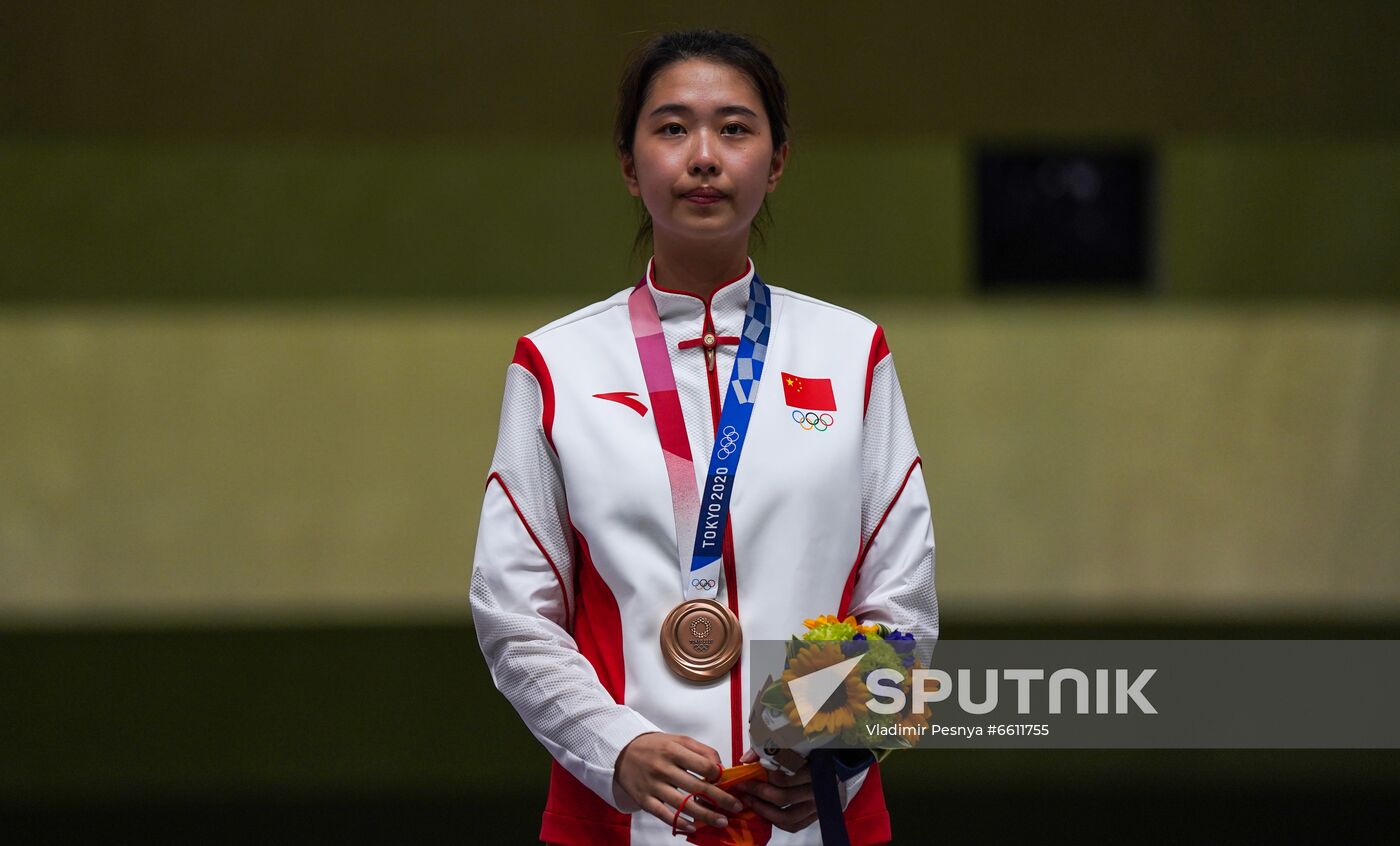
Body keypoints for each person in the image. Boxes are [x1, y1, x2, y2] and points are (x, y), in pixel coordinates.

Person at [470, 29, 938, 846]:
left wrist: (834, 749)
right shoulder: (556, 364)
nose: (704, 157)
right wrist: (616, 748)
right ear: (628, 165)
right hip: (618, 816)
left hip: (811, 813)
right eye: (672, 128)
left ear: (778, 160)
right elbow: (513, 612)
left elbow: (902, 596)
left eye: (734, 128)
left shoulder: (852, 353)